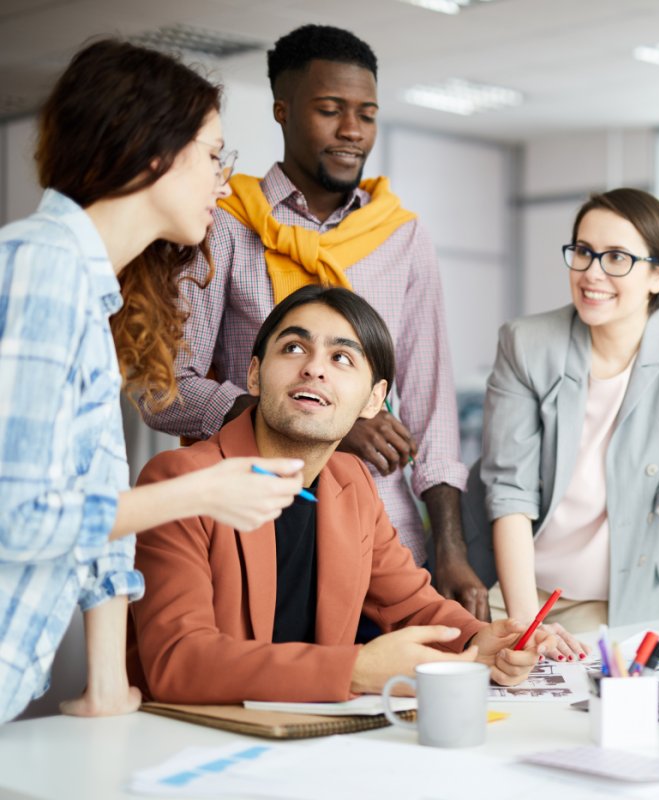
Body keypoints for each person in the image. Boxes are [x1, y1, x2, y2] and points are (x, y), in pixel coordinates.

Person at [138, 24, 490, 620]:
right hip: (252, 523)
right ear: (283, 110)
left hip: (388, 539)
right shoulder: (222, 222)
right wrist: (324, 422)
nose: (352, 130)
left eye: (367, 113)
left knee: (394, 705)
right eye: (330, 110)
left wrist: (451, 548)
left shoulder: (401, 236)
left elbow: (431, 407)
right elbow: (163, 388)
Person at [0, 40, 305, 723]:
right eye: (213, 155)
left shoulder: (91, 289)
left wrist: (107, 682)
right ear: (151, 151)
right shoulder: (41, 267)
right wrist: (201, 492)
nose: (225, 182)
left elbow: (99, 497)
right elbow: (17, 516)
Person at [128, 287, 552, 703]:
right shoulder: (181, 479)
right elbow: (178, 660)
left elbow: (411, 604)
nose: (314, 369)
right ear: (254, 375)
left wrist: (481, 640)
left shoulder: (350, 481)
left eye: (341, 358)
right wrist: (357, 669)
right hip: (194, 744)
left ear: (374, 401)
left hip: (313, 738)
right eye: (294, 348)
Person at [462, 188, 659, 661]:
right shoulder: (528, 343)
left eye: (616, 258)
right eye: (584, 252)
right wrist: (528, 627)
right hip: (521, 594)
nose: (592, 273)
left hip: (626, 600)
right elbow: (511, 493)